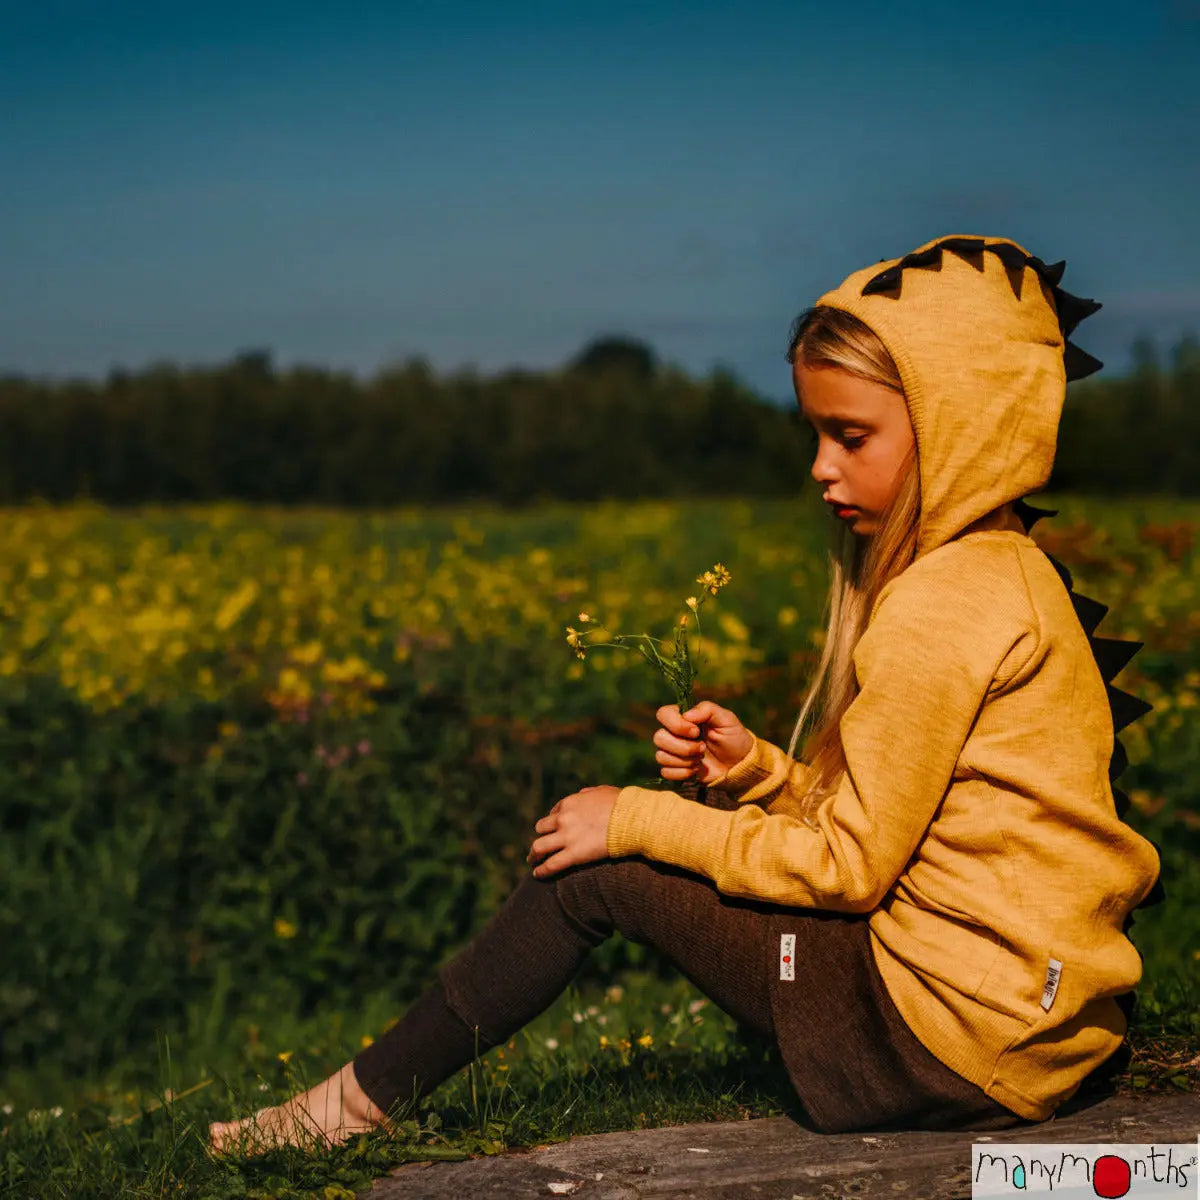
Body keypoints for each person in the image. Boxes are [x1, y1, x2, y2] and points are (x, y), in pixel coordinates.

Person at [209, 234, 1162, 1154]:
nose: (821, 467)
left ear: (961, 427)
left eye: (852, 435)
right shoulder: (1013, 576)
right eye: (816, 433)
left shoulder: (937, 604)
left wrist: (635, 821)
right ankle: (355, 1100)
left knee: (594, 872)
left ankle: (341, 1113)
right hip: (1035, 1035)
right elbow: (915, 833)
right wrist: (758, 773)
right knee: (670, 836)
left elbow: (852, 870)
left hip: (936, 1044)